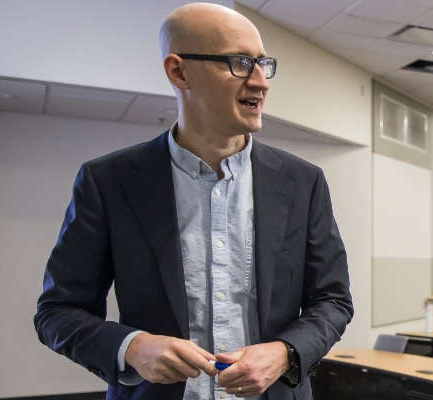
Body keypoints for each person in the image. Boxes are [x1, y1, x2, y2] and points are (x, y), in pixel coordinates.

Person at [33, 4, 354, 398]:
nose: (260, 82)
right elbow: (57, 312)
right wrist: (132, 347)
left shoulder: (303, 182)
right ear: (178, 71)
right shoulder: (108, 181)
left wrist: (284, 352)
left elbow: (332, 300)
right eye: (239, 62)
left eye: (262, 64)